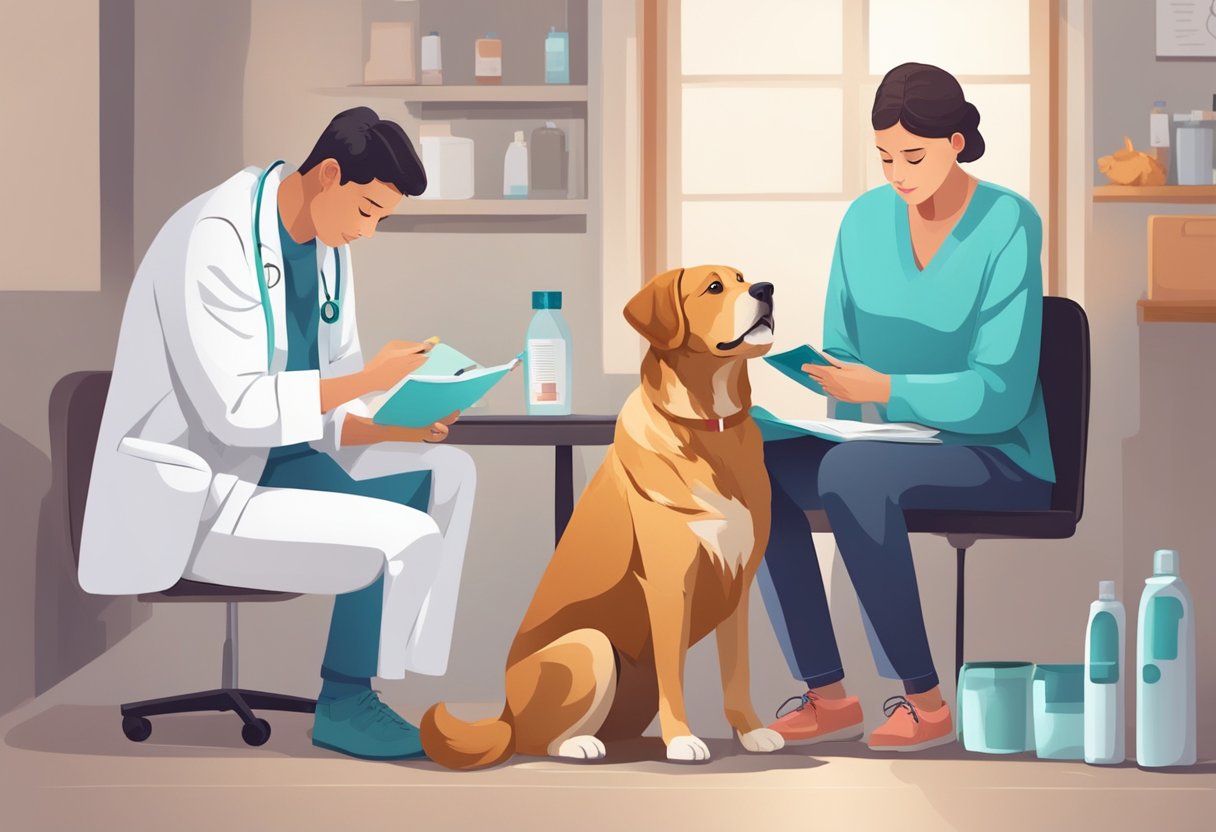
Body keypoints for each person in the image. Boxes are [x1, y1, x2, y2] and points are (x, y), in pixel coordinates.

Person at [78, 107, 476, 761]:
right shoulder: (212, 235)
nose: (369, 232)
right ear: (328, 175)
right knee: (401, 535)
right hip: (203, 487)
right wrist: (368, 378)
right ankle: (346, 705)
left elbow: (326, 395)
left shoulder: (329, 249)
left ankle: (378, 687)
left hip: (281, 461)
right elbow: (234, 410)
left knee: (446, 478)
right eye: (369, 210)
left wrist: (393, 417)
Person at [755, 63, 1054, 753]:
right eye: (885, 156)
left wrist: (885, 389)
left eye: (913, 156)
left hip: (995, 451)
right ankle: (826, 694)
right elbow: (840, 351)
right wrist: (826, 397)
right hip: (887, 444)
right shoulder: (864, 219)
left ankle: (923, 702)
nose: (897, 172)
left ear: (956, 141)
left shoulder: (1007, 221)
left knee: (852, 476)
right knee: (758, 460)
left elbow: (1001, 389)